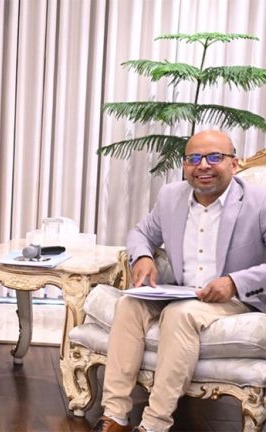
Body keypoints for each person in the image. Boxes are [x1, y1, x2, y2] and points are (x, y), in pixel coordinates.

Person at [92, 129, 266, 432]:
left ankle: (154, 424)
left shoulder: (259, 201)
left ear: (234, 163)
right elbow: (140, 233)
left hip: (234, 297)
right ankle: (115, 415)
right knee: (129, 304)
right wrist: (142, 257)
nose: (203, 165)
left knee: (179, 314)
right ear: (185, 165)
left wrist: (235, 282)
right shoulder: (171, 196)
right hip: (181, 290)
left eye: (214, 157)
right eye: (193, 158)